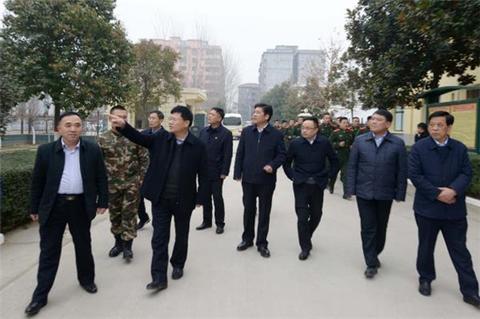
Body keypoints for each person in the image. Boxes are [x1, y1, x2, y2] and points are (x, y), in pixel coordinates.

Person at [109, 105, 208, 292]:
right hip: (161, 198)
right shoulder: (162, 138)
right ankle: (159, 277)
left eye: (174, 119)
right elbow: (140, 138)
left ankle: (178, 264)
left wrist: (201, 197)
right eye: (169, 119)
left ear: (186, 123)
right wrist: (124, 125)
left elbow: (204, 173)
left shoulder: (198, 146)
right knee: (159, 238)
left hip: (184, 199)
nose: (170, 122)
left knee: (181, 235)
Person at [25, 112, 108, 316]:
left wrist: (103, 201)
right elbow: (37, 182)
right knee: (49, 251)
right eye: (68, 125)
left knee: (83, 246)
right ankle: (40, 296)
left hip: (80, 205)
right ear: (59, 129)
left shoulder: (92, 149)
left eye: (77, 125)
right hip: (54, 206)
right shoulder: (45, 151)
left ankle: (87, 280)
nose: (73, 129)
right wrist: (34, 208)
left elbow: (101, 177)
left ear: (82, 128)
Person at [408, 111, 480, 308]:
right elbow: (415, 174)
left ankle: (470, 290)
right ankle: (425, 278)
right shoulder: (419, 148)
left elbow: (467, 172)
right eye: (432, 125)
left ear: (449, 127)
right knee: (426, 246)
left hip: (454, 210)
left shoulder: (459, 148)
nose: (435, 128)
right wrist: (437, 194)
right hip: (427, 209)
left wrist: (453, 190)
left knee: (460, 251)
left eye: (439, 125)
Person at [345, 109, 407, 279]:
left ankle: (375, 251)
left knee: (381, 227)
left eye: (378, 120)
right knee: (367, 227)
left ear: (388, 124)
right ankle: (371, 262)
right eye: (372, 119)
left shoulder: (397, 143)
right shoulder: (360, 141)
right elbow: (352, 166)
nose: (373, 122)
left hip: (385, 193)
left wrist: (400, 193)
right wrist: (350, 189)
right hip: (364, 192)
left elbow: (402, 170)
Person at [234, 103, 286, 258]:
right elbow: (240, 153)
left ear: (267, 116)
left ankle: (262, 243)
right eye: (254, 111)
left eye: (258, 112)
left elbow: (282, 155)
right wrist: (237, 172)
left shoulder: (276, 134)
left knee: (264, 212)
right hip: (248, 179)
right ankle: (247, 239)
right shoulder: (247, 132)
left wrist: (272, 165)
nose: (254, 114)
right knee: (248, 210)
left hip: (266, 180)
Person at [283, 117, 339, 260]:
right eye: (303, 128)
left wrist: (329, 177)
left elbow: (334, 161)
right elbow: (287, 162)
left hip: (318, 184)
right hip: (301, 184)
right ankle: (305, 247)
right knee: (302, 217)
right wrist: (292, 176)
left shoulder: (324, 142)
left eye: (308, 128)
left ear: (316, 130)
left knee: (316, 214)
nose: (304, 130)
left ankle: (306, 235)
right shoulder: (296, 143)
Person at [98, 105, 148, 261]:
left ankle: (128, 247)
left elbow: (144, 159)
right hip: (111, 185)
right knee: (115, 215)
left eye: (124, 117)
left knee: (129, 214)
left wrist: (141, 179)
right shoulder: (103, 138)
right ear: (110, 118)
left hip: (132, 184)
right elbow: (98, 164)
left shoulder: (134, 136)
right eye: (117, 116)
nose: (121, 120)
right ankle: (118, 244)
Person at [196, 107, 233, 234]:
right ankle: (207, 221)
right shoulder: (203, 131)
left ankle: (220, 223)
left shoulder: (226, 134)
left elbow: (227, 155)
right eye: (209, 114)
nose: (209, 116)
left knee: (217, 197)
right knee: (205, 196)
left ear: (219, 118)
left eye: (212, 114)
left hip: (217, 171)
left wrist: (224, 172)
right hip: (203, 170)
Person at [137, 110, 165, 230]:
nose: (151, 120)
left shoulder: (166, 136)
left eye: (153, 118)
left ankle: (157, 222)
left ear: (161, 120)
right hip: (143, 169)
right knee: (138, 195)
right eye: (150, 118)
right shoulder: (144, 133)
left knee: (155, 198)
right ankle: (143, 217)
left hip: (157, 171)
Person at [329, 117, 354, 198]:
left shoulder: (350, 132)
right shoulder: (335, 132)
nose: (346, 124)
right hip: (337, 156)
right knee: (334, 174)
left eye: (347, 122)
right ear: (339, 123)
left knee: (346, 175)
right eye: (344, 122)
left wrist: (352, 146)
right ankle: (331, 185)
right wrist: (338, 144)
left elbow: (353, 142)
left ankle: (346, 193)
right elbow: (329, 144)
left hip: (347, 157)